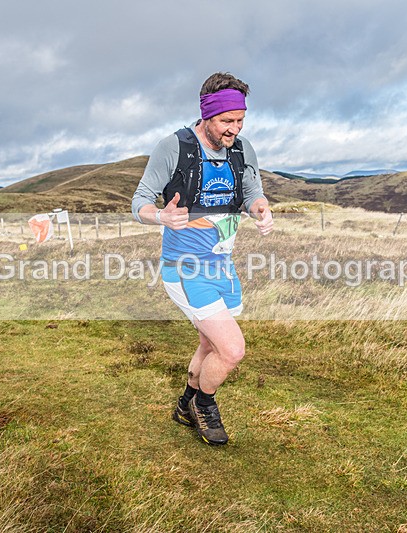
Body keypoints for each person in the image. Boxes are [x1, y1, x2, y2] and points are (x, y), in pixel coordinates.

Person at [132, 72, 274, 445]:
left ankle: (184, 405)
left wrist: (259, 208)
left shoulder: (242, 149)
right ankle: (205, 405)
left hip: (221, 266)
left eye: (241, 120)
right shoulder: (174, 147)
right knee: (231, 349)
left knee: (210, 344)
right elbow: (140, 202)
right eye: (227, 121)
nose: (234, 129)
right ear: (207, 115)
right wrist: (161, 216)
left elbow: (251, 191)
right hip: (184, 268)